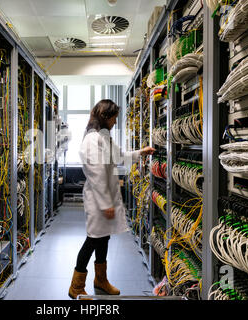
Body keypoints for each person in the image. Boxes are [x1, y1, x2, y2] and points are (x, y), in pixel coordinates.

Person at [68, 99, 155, 299]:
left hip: (104, 197)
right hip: (98, 200)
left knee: (103, 238)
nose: (116, 122)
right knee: (92, 240)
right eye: (114, 117)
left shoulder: (103, 138)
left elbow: (119, 155)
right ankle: (76, 286)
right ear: (106, 117)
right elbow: (96, 174)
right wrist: (106, 204)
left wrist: (140, 153)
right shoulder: (92, 140)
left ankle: (101, 280)